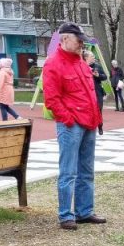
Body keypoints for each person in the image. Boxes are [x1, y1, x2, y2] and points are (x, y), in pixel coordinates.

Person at [42, 22, 105, 230]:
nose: (81, 44)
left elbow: (90, 93)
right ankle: (65, 215)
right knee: (68, 172)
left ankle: (84, 211)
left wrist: (96, 118)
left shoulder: (80, 62)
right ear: (65, 39)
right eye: (78, 40)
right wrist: (68, 119)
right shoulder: (53, 64)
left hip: (89, 122)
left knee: (86, 170)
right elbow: (52, 99)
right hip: (72, 124)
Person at [84, 50, 108, 135]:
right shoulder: (82, 66)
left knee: (99, 109)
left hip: (97, 92)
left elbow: (105, 77)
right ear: (86, 58)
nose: (94, 58)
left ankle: (100, 126)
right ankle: (89, 127)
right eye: (92, 56)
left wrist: (98, 75)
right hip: (86, 93)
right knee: (88, 110)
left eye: (94, 56)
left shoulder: (97, 66)